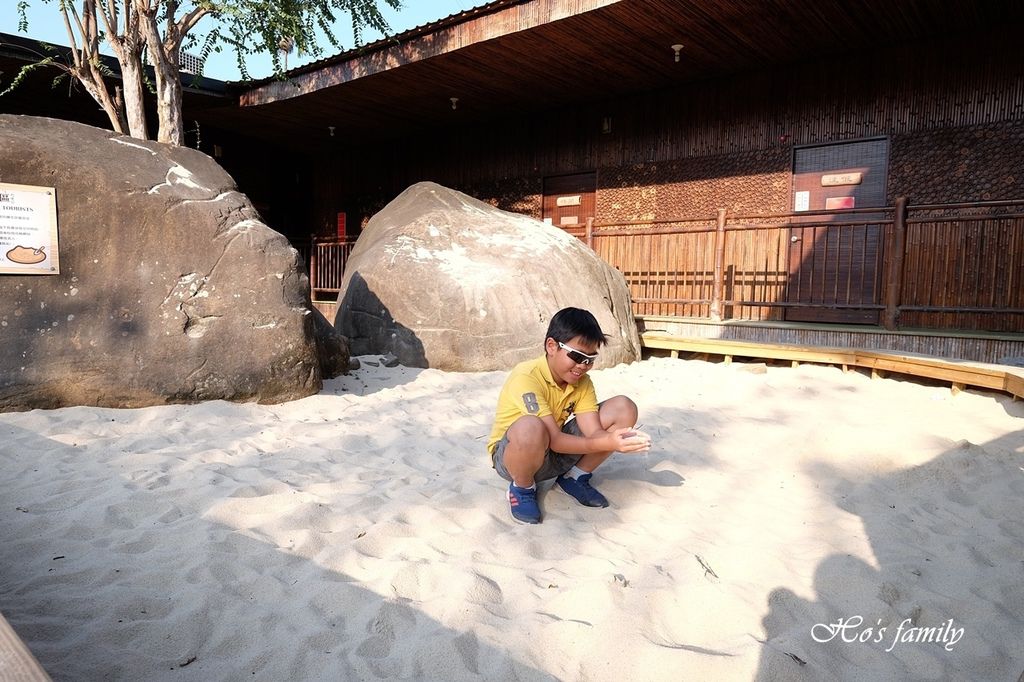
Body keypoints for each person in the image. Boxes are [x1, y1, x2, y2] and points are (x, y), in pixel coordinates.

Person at [486, 307, 651, 524]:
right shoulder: (526, 376)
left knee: (624, 407)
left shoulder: (582, 382)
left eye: (590, 359)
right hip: (515, 456)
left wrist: (614, 440)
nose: (583, 366)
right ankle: (523, 487)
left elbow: (594, 432)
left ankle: (575, 477)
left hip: (554, 452)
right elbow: (555, 439)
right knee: (530, 426)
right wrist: (607, 442)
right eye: (577, 356)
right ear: (551, 346)